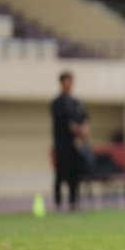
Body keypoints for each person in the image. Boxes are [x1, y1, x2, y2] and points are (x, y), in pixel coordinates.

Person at [50, 71, 89, 211]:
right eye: (66, 81)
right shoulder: (57, 103)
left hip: (75, 146)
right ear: (61, 83)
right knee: (60, 175)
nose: (69, 84)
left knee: (74, 175)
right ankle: (58, 203)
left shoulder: (77, 103)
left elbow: (84, 119)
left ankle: (73, 202)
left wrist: (83, 132)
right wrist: (78, 130)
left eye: (70, 81)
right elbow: (68, 125)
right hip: (62, 145)